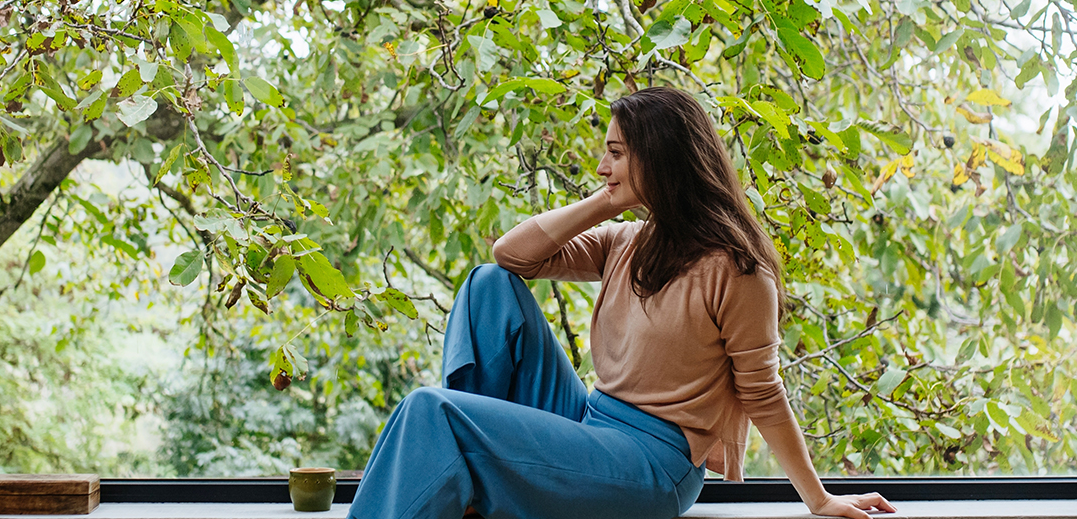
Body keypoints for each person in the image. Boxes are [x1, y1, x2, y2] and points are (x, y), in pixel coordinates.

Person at [346, 87, 897, 519]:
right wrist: (606, 201)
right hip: (591, 420)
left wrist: (819, 499)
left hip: (651, 465)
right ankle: (471, 476)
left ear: (657, 160)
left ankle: (469, 472)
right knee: (489, 286)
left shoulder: (737, 272)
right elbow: (512, 255)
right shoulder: (628, 241)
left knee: (429, 409)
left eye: (615, 154)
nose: (601, 168)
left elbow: (764, 395)